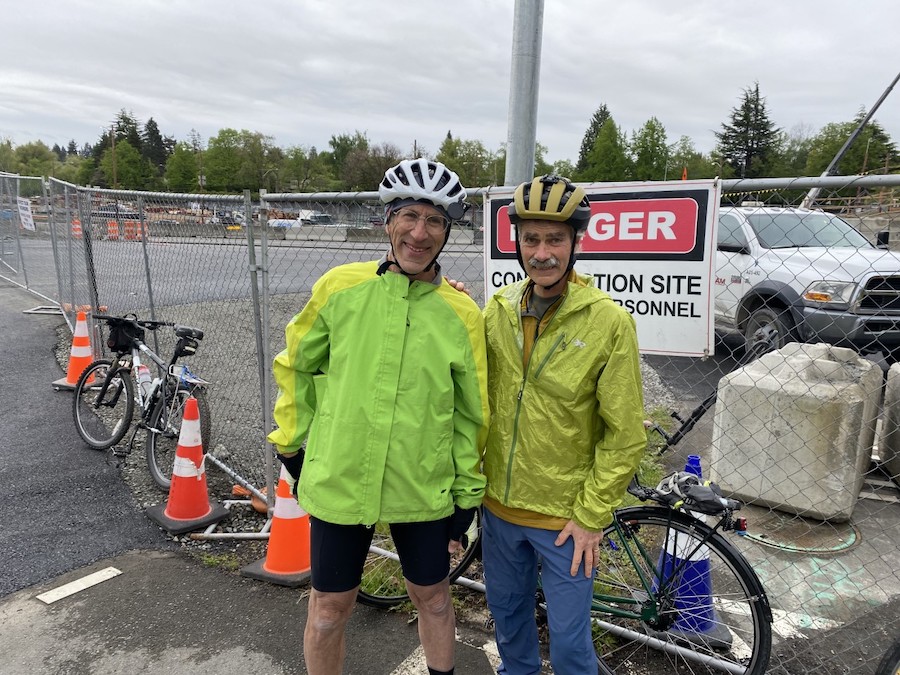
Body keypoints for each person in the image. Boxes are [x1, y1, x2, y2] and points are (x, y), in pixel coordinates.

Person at [267, 158, 490, 675]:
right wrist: (292, 444)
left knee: (433, 598)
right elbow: (296, 364)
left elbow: (471, 414)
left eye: (434, 221)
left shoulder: (461, 313)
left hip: (422, 482)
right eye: (409, 216)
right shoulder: (339, 286)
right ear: (388, 220)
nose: (420, 233)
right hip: (343, 475)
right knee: (328, 610)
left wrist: (466, 493)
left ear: (447, 232)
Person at [481, 174, 647, 674]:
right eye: (530, 238)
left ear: (577, 242)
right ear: (517, 242)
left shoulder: (608, 322)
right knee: (509, 621)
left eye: (555, 239)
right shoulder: (498, 309)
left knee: (571, 644)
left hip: (564, 520)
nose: (542, 253)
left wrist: (592, 515)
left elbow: (625, 435)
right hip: (498, 508)